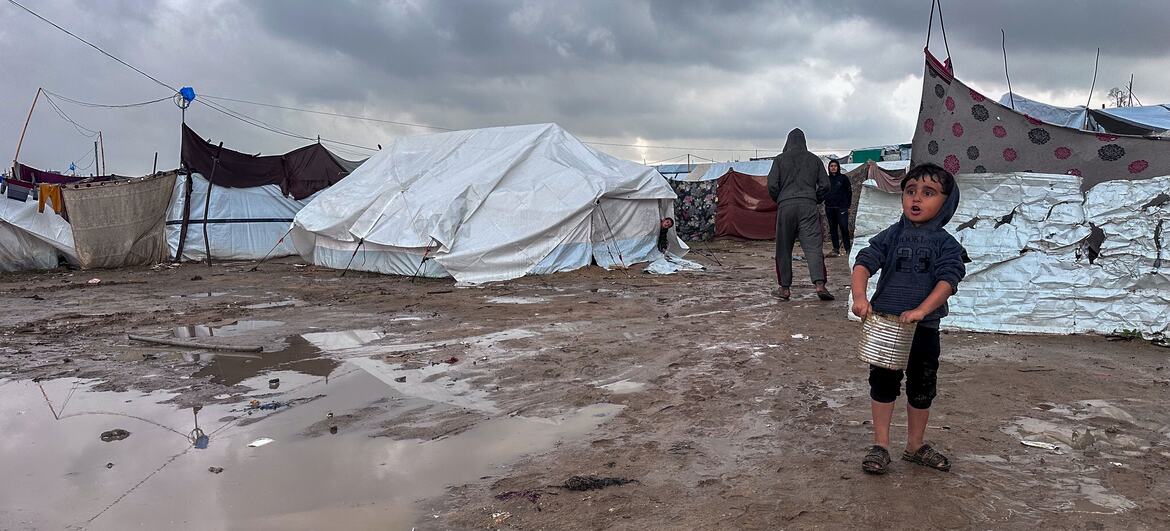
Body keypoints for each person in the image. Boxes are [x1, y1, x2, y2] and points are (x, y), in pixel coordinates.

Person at [851, 162, 966, 475]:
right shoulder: (891, 236)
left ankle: (915, 445)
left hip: (924, 329)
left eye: (928, 193)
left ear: (947, 202)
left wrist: (922, 310)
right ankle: (881, 445)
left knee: (922, 386)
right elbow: (864, 263)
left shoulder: (946, 244)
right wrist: (860, 297)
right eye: (910, 191)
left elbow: (948, 281)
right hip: (885, 325)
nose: (916, 199)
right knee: (883, 383)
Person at [768, 128, 833, 301]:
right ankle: (820, 285)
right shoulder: (814, 160)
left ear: (788, 142)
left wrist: (781, 199)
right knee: (813, 247)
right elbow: (825, 185)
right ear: (804, 142)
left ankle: (784, 289)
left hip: (786, 206)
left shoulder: (779, 160)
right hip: (808, 205)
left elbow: (772, 185)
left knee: (783, 248)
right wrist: (815, 198)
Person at [824, 159, 853, 257]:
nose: (833, 168)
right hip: (830, 208)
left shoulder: (843, 178)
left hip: (842, 208)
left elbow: (849, 192)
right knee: (833, 229)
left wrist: (848, 206)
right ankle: (836, 249)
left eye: (835, 166)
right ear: (829, 168)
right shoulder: (826, 179)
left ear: (838, 167)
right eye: (831, 166)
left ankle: (848, 249)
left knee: (844, 228)